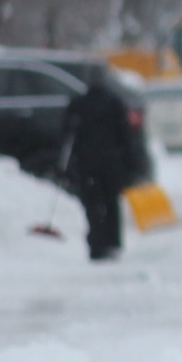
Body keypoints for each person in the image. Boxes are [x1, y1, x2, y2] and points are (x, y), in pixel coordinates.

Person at [64, 75, 136, 261]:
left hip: (87, 163)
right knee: (111, 203)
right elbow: (125, 136)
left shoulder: (79, 105)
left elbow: (68, 134)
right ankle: (113, 241)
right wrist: (130, 162)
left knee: (92, 204)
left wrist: (69, 162)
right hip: (111, 163)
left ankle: (96, 243)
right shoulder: (114, 104)